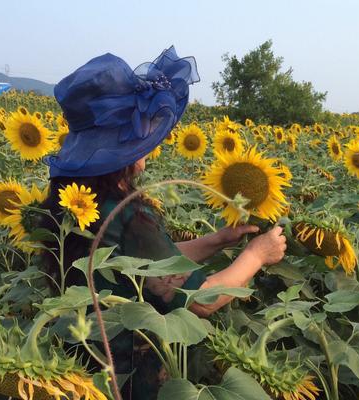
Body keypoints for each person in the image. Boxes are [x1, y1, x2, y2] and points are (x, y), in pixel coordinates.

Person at [39, 46, 287, 399]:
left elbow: (143, 263)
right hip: (128, 376)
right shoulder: (129, 214)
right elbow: (201, 301)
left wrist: (216, 241)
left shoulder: (74, 200)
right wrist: (256, 256)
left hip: (81, 367)